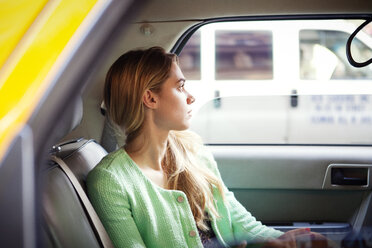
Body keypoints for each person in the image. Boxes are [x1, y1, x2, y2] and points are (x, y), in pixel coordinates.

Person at [87, 47, 328, 248]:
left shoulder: (193, 151)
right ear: (151, 98)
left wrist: (284, 240)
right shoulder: (110, 181)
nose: (190, 97)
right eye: (180, 86)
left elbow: (237, 221)